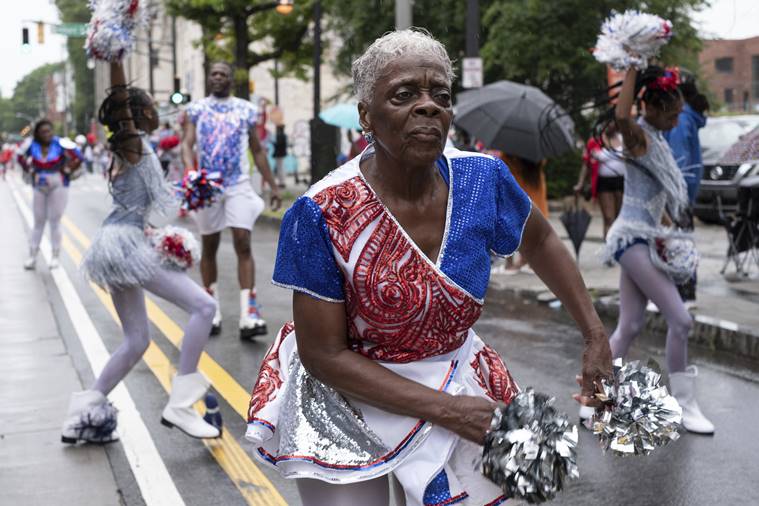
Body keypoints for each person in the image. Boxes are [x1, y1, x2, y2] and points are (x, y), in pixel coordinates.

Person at [245, 29, 612, 506]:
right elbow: (323, 354)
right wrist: (452, 412)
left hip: (452, 372)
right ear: (366, 118)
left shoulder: (483, 181)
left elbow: (539, 238)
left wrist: (594, 333)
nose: (428, 106)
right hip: (346, 391)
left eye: (440, 94)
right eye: (404, 95)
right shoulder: (321, 212)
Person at [65, 60, 221, 444]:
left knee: (137, 341)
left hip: (122, 238)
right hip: (123, 242)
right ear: (135, 115)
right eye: (148, 105)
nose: (155, 110)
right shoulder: (132, 142)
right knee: (204, 307)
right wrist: (116, 53)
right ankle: (182, 403)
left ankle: (84, 413)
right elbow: (119, 99)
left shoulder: (140, 147)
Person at [598, 66, 714, 434]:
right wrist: (631, 64)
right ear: (651, 107)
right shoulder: (640, 137)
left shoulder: (658, 141)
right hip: (631, 239)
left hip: (645, 237)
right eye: (673, 113)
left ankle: (595, 399)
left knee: (630, 324)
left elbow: (655, 196)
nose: (678, 119)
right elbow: (621, 114)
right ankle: (684, 403)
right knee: (681, 320)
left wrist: (671, 227)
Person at [182, 62, 282, 340]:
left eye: (223, 74)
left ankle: (249, 312)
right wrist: (192, 172)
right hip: (208, 185)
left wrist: (273, 186)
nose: (217, 78)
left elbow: (258, 150)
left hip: (238, 183)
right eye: (213, 74)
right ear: (209, 79)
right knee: (210, 244)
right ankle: (210, 308)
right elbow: (187, 144)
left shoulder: (246, 110)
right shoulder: (197, 109)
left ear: (230, 80)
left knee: (242, 241)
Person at [663, 81, 709, 306]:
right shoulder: (688, 120)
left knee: (679, 243)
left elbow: (680, 162)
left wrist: (674, 196)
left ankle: (685, 293)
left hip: (677, 195)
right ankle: (685, 292)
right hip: (684, 193)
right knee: (683, 241)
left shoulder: (681, 121)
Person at [18, 119, 82, 270]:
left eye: (49, 131)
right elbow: (20, 157)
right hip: (39, 184)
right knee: (38, 221)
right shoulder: (31, 144)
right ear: (38, 133)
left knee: (55, 221)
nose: (47, 134)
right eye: (43, 132)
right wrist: (29, 169)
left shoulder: (61, 143)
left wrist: (68, 169)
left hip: (58, 184)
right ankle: (32, 256)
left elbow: (79, 156)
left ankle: (55, 256)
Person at [575, 123, 625, 241]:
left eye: (613, 122)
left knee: (620, 218)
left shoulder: (624, 137)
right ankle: (609, 250)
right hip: (603, 182)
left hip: (622, 181)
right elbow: (586, 165)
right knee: (608, 218)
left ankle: (619, 249)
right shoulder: (595, 141)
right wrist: (580, 184)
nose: (610, 125)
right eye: (607, 123)